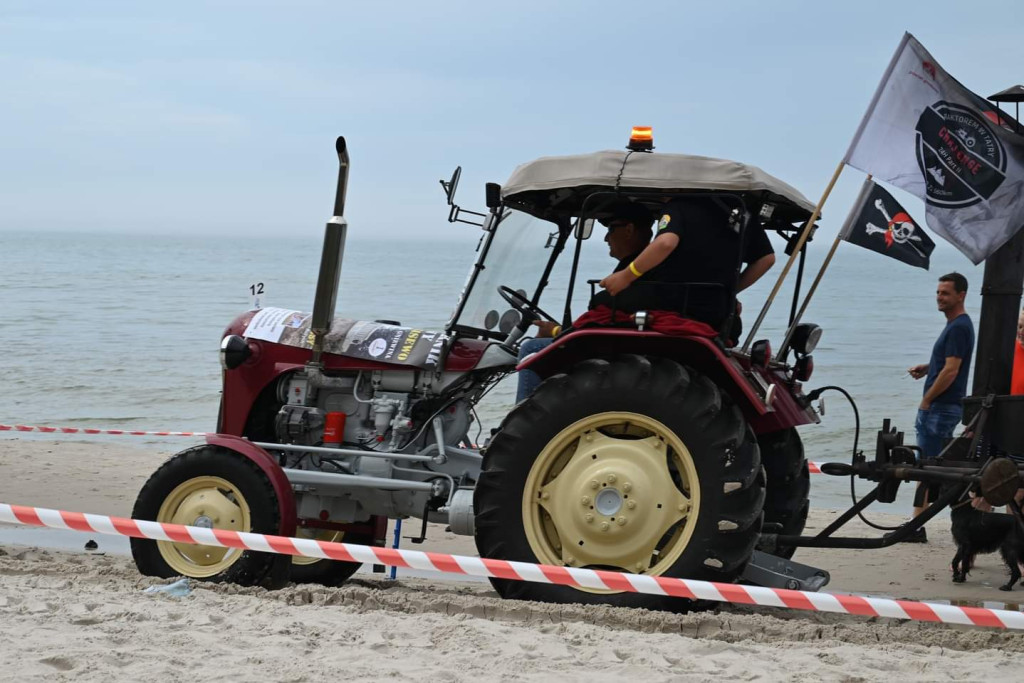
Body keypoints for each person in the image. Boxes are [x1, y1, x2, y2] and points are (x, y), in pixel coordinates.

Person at [515, 201, 654, 402]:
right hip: (625, 342)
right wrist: (558, 331)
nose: (606, 238)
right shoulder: (641, 267)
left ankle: (523, 428)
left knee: (531, 349)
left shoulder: (634, 272)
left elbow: (608, 324)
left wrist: (557, 332)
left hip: (621, 347)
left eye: (610, 229)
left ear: (629, 229)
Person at [598, 196, 775, 340]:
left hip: (672, 301)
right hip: (716, 311)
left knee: (601, 300)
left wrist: (626, 276)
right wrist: (729, 292)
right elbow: (766, 259)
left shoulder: (679, 206)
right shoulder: (744, 213)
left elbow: (666, 243)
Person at [903, 272, 975, 542]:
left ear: (961, 295)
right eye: (938, 292)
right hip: (943, 406)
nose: (940, 298)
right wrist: (928, 368)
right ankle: (916, 522)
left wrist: (927, 399)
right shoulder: (957, 325)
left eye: (945, 293)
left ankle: (916, 526)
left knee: (928, 468)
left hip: (941, 408)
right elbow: (947, 364)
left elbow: (952, 371)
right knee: (931, 467)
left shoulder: (958, 326)